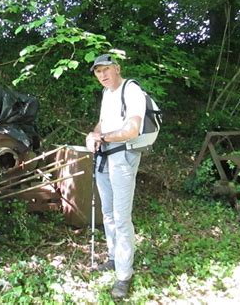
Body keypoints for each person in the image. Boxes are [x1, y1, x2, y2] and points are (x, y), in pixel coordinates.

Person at [85, 54, 146, 299]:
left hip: (122, 159)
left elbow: (132, 129)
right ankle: (113, 257)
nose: (102, 75)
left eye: (106, 70)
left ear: (117, 68)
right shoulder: (106, 94)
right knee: (108, 213)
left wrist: (104, 138)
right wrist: (93, 134)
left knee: (121, 217)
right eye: (98, 72)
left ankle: (123, 276)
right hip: (105, 158)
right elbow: (102, 124)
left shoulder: (131, 90)